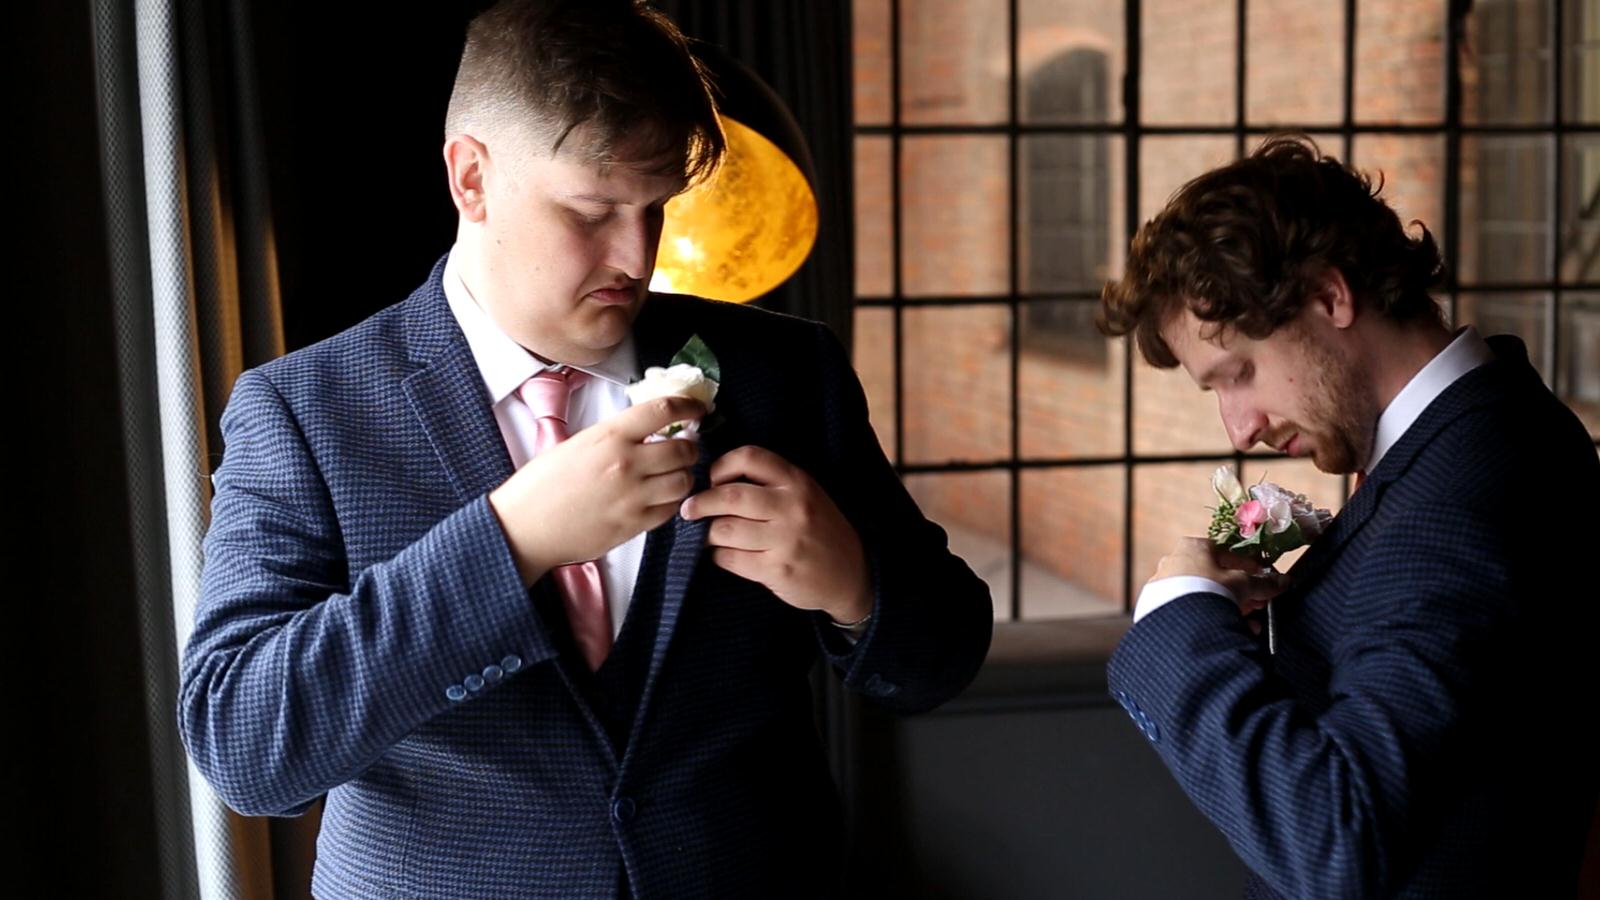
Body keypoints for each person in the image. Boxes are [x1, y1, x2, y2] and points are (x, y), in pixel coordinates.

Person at [177, 2, 993, 896]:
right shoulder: (304, 412)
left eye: (659, 207)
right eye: (593, 210)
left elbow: (940, 658)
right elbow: (245, 747)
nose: (637, 257)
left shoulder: (786, 374)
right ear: (472, 178)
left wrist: (855, 585)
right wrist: (511, 539)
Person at [1097, 134, 1600, 899]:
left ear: (1330, 297)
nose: (1240, 428)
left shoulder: (1456, 500)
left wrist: (1178, 613)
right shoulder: (1474, 429)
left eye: (1240, 374)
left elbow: (1335, 834)